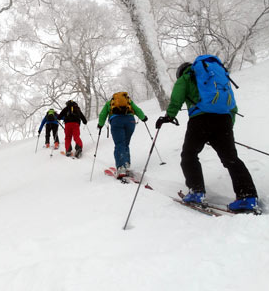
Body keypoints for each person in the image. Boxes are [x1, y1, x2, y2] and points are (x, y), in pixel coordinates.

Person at [156, 58, 259, 211]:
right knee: (231, 159)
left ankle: (197, 192)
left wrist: (169, 116)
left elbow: (176, 99)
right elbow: (232, 107)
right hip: (224, 120)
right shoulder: (217, 78)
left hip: (200, 120)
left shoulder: (186, 77)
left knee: (189, 155)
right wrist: (227, 128)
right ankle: (248, 197)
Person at [97, 91, 148, 178]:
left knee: (119, 144)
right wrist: (143, 118)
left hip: (116, 122)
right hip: (130, 121)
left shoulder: (110, 103)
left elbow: (102, 115)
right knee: (126, 143)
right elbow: (137, 110)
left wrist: (100, 124)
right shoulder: (128, 101)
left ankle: (121, 167)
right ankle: (126, 163)